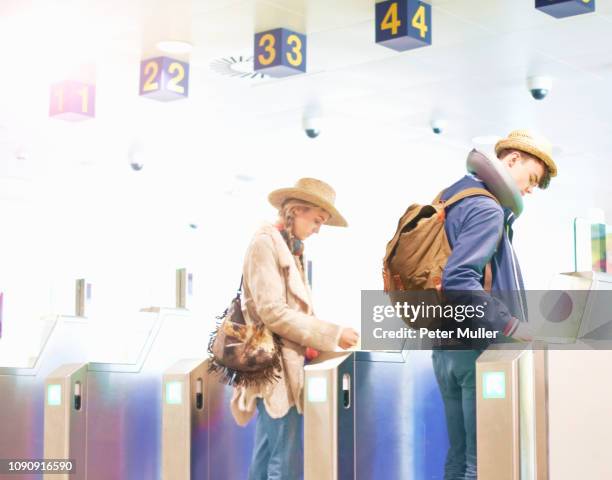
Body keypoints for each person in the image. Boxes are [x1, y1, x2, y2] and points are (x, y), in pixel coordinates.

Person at [433, 130, 557, 479]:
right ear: (512, 159)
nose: (530, 189)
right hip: (477, 351)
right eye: (531, 178)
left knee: (458, 456)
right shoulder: (487, 207)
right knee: (483, 458)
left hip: (445, 348)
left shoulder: (452, 195)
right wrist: (511, 325)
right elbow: (460, 279)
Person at [230, 177, 360, 480]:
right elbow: (273, 312)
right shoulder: (265, 243)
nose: (317, 229)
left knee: (268, 456)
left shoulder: (288, 248)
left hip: (280, 366)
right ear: (296, 211)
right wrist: (332, 333)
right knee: (283, 463)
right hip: (275, 367)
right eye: (316, 220)